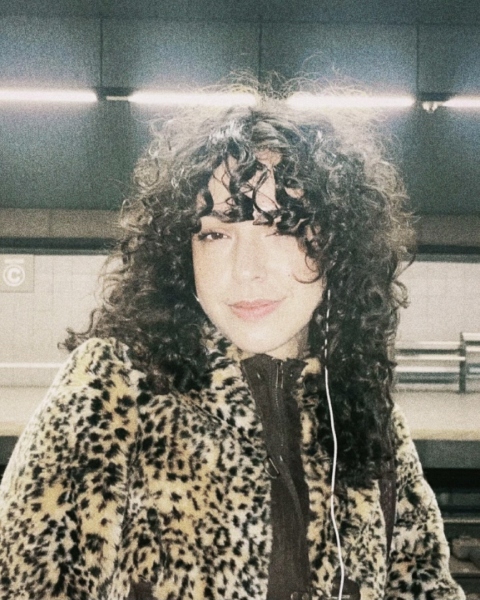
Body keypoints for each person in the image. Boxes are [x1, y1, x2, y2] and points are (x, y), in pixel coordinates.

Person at [0, 85, 465, 600]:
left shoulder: (364, 411)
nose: (247, 270)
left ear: (337, 244)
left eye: (282, 228)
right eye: (215, 234)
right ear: (182, 253)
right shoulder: (114, 387)